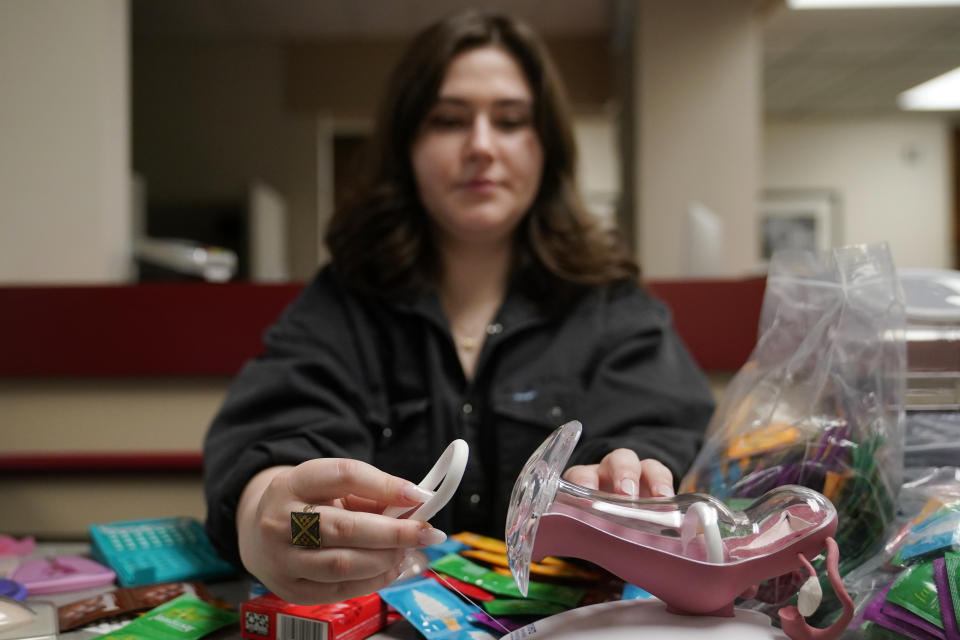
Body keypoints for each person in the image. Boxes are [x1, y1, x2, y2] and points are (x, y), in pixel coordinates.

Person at [203, 9, 715, 606]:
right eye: (448, 120)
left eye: (510, 120)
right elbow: (272, 449)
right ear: (408, 146)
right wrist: (270, 523)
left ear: (544, 145)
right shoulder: (343, 305)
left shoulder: (613, 308)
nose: (480, 145)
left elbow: (662, 434)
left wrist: (631, 480)